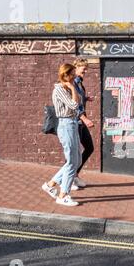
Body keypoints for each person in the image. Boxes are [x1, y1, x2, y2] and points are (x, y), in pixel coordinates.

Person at [41, 63, 82, 206]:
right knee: (72, 161)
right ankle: (63, 195)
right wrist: (72, 87)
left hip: (72, 123)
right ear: (66, 75)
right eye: (73, 74)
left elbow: (79, 101)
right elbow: (74, 105)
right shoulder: (59, 89)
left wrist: (72, 88)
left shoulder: (67, 88)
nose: (75, 76)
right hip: (66, 125)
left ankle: (50, 185)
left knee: (77, 159)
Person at [72, 58, 94, 188]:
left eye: (86, 68)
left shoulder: (79, 82)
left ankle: (74, 175)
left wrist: (86, 98)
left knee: (89, 147)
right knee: (74, 152)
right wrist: (85, 119)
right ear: (76, 67)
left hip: (80, 121)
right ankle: (68, 180)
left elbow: (79, 99)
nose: (85, 70)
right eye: (83, 68)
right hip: (75, 121)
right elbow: (73, 103)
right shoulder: (73, 83)